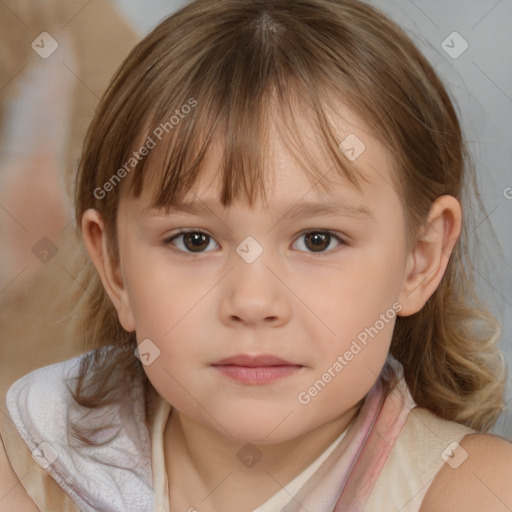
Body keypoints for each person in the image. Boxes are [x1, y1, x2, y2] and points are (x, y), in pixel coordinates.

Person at [1, 0, 511, 510]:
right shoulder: (26, 473)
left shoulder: (477, 494)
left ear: (419, 260)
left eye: (318, 240)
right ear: (114, 265)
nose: (252, 301)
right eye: (194, 240)